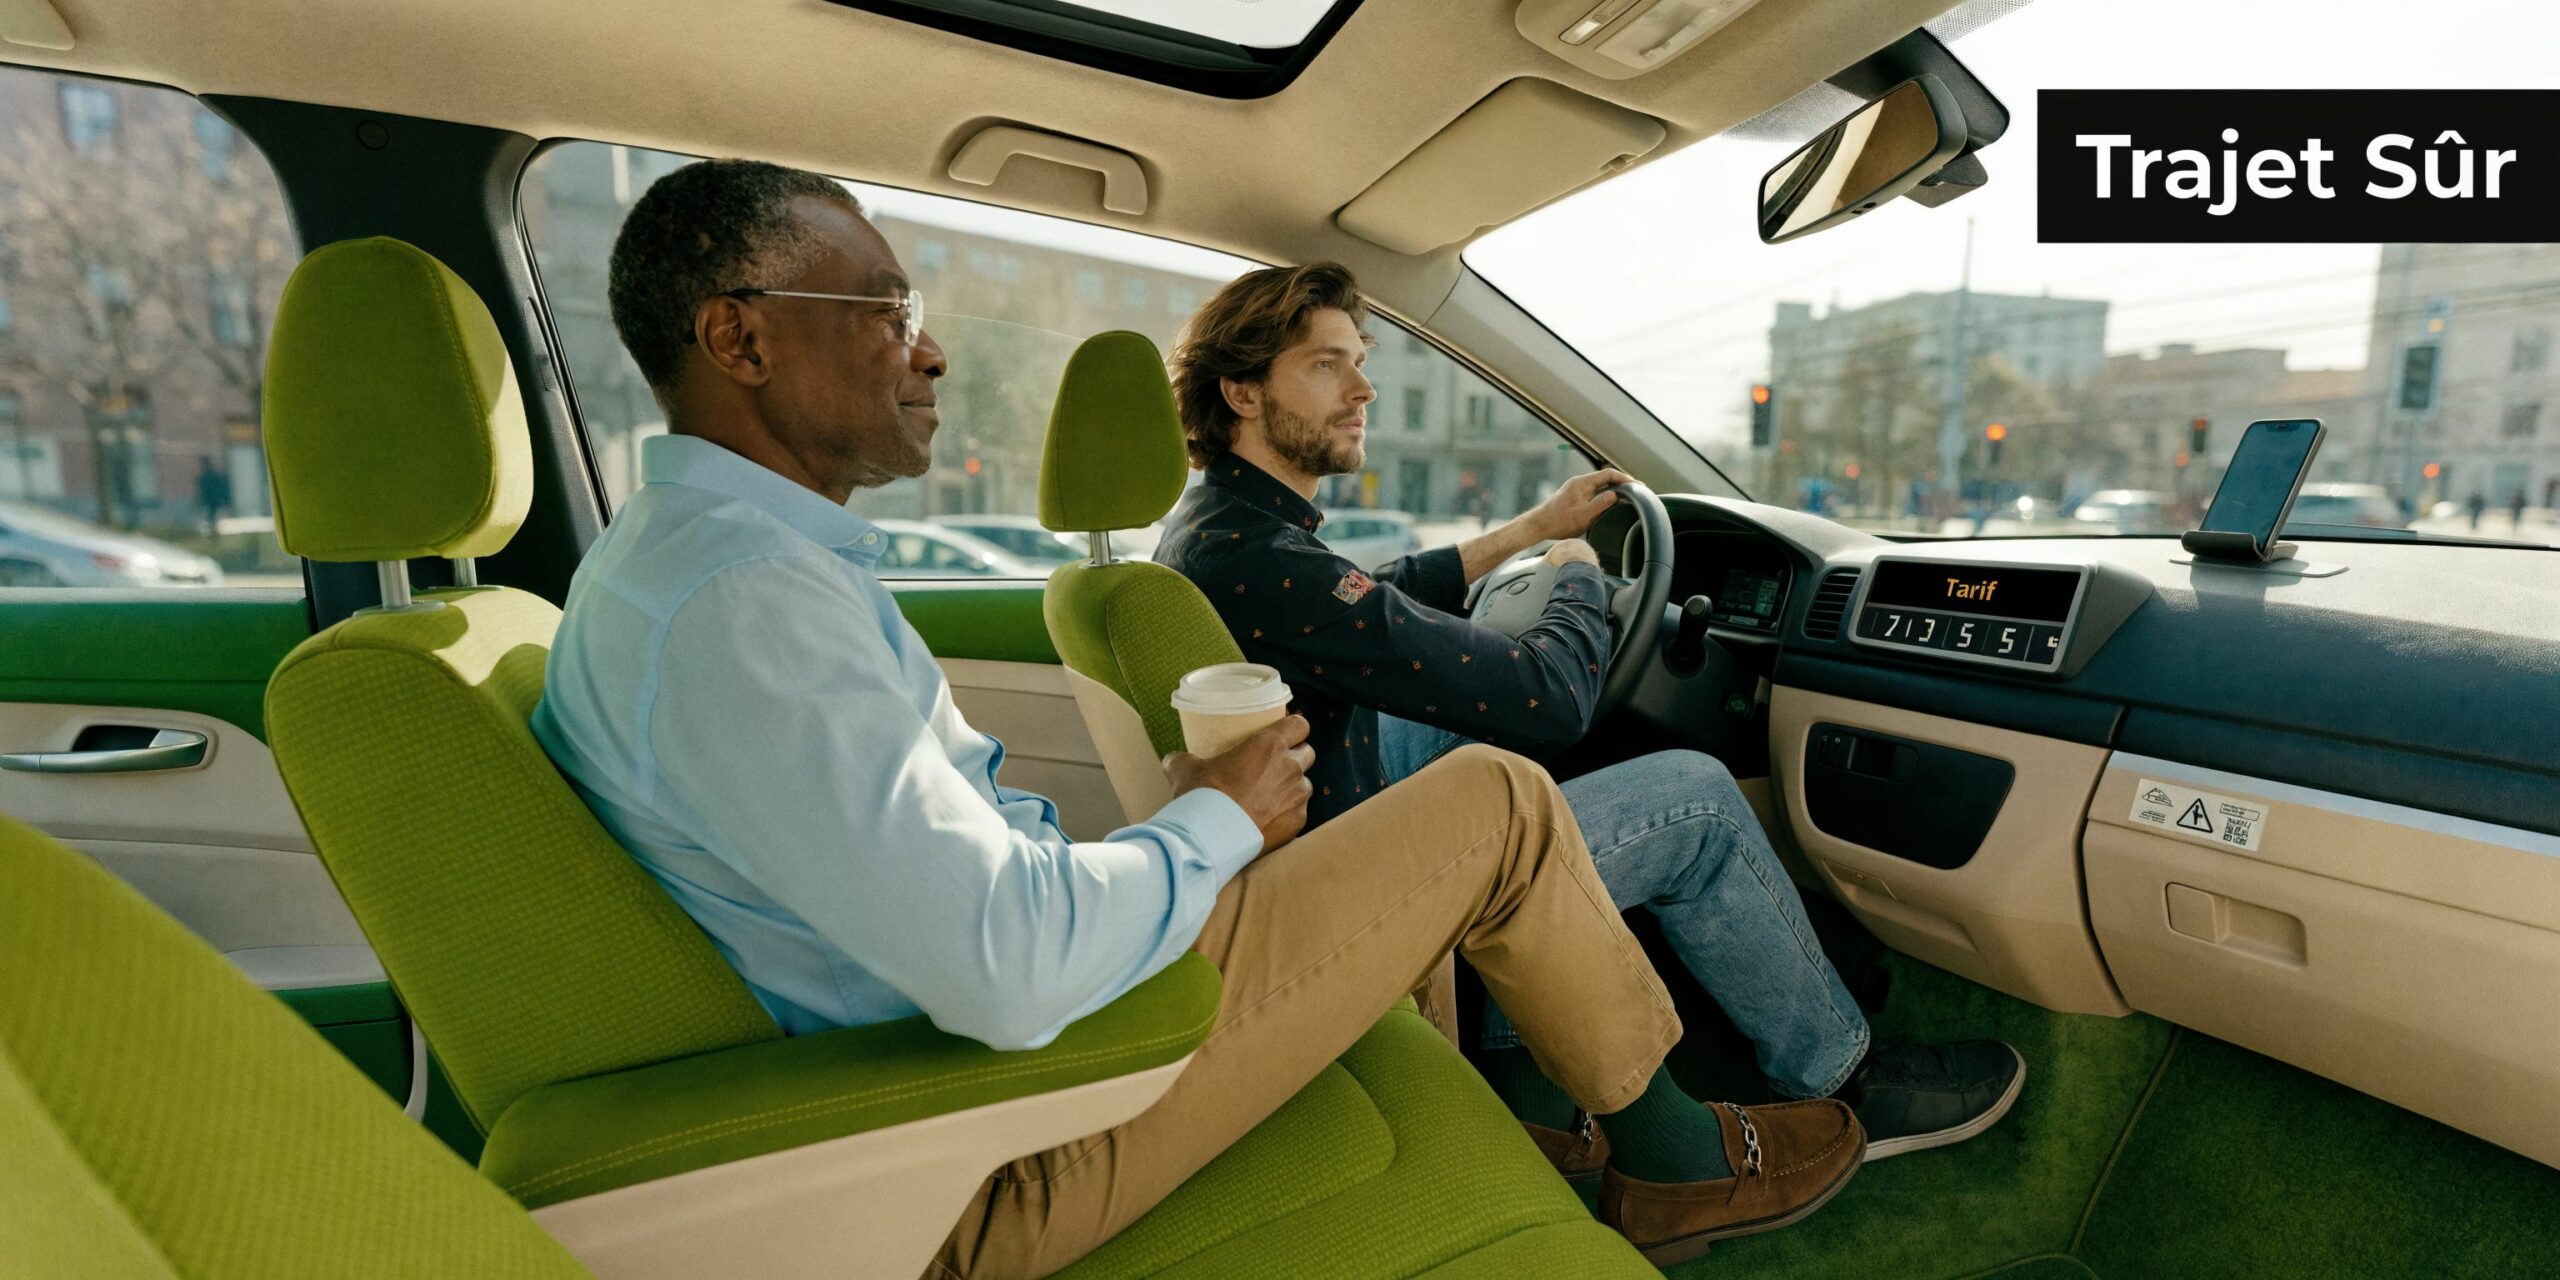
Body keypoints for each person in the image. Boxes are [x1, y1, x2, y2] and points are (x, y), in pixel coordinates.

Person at [530, 159, 1866, 1276]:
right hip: (973, 1145)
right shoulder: (744, 602)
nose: (928, 346)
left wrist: (1170, 830)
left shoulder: (704, 567)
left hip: (974, 1064)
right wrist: (1215, 826)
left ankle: (1635, 1125)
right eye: (886, 307)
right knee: (1503, 801)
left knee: (1467, 788)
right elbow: (1002, 968)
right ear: (740, 337)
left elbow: (947, 890)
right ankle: (1682, 1165)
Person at [1156, 263, 2024, 1177]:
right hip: (1351, 909)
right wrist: (1574, 583)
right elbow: (1552, 701)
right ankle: (1845, 1079)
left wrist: (1532, 531)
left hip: (1314, 839)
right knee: (1695, 801)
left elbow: (1382, 599)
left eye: (1360, 360)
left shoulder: (1221, 529)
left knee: (1474, 732)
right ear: (1242, 389)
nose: (1365, 386)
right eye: (1329, 365)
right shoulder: (1264, 563)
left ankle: (1530, 1040)